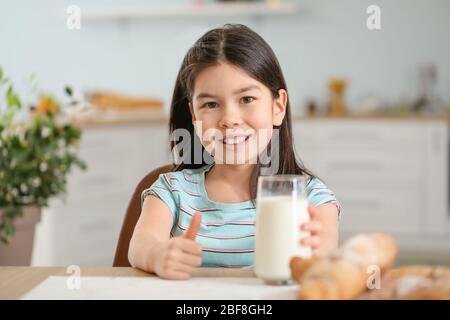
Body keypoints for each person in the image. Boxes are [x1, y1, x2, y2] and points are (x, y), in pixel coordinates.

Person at [128, 24, 341, 280]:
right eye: (211, 104)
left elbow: (326, 251)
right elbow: (141, 244)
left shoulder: (310, 198)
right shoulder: (172, 192)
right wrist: (158, 256)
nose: (229, 119)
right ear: (194, 115)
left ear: (278, 106)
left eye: (247, 99)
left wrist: (317, 253)